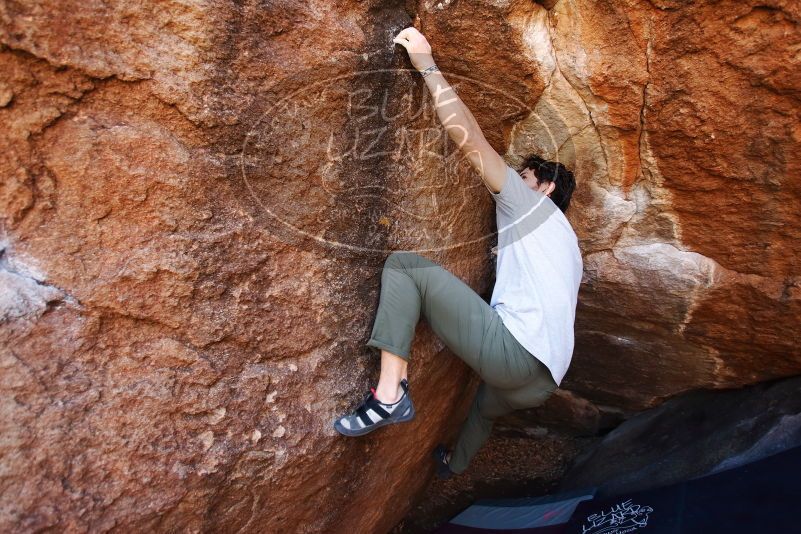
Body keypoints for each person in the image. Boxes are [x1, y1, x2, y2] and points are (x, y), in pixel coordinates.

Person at [333, 26, 582, 479]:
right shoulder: (569, 244)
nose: (513, 183)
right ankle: (454, 464)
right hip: (541, 385)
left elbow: (470, 141)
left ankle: (390, 395)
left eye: (524, 177)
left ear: (544, 188)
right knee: (484, 409)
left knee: (404, 267)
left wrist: (427, 65)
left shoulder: (529, 204)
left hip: (515, 357)